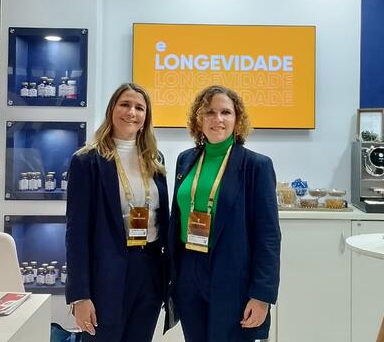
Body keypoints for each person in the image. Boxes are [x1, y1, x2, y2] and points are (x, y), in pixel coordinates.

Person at [169, 85, 281, 342]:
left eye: (225, 112)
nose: (217, 119)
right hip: (189, 269)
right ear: (198, 118)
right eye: (209, 112)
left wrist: (262, 295)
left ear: (237, 119)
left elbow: (268, 236)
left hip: (233, 275)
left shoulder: (256, 165)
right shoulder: (186, 160)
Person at [65, 83, 170, 342]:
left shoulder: (155, 159)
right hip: (105, 274)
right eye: (125, 105)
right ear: (112, 109)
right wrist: (80, 295)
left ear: (146, 117)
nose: (131, 112)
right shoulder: (86, 161)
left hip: (149, 269)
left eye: (139, 108)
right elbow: (76, 233)